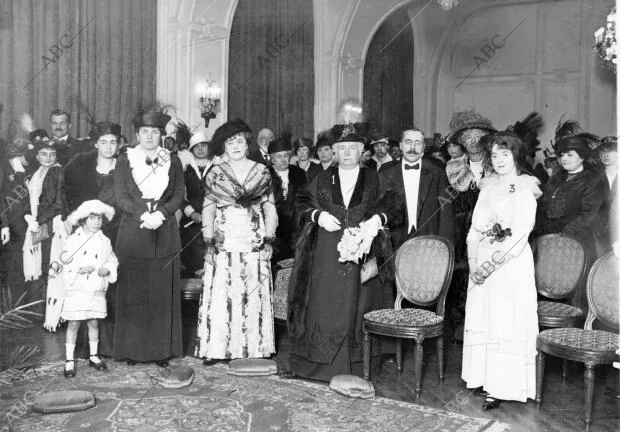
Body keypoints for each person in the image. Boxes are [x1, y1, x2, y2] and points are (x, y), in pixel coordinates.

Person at [284, 126, 395, 382]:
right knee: (325, 305)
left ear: (362, 152)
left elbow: (393, 202)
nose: (346, 154)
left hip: (362, 251)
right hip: (325, 252)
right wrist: (317, 215)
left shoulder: (374, 178)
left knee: (358, 305)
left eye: (352, 149)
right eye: (341, 149)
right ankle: (320, 366)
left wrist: (377, 219)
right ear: (334, 152)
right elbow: (300, 203)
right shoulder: (323, 178)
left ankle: (357, 367)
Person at [462, 132, 541, 410]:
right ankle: (484, 378)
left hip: (510, 266)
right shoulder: (487, 188)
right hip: (482, 264)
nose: (498, 160)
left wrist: (489, 265)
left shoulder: (525, 190)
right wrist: (474, 264)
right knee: (485, 317)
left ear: (516, 157)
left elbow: (519, 236)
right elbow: (474, 228)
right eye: (494, 155)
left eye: (504, 154)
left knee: (505, 321)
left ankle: (504, 385)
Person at [195, 118, 278, 364]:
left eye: (240, 141)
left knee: (251, 291)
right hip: (224, 238)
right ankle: (217, 349)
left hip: (253, 239)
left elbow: (270, 208)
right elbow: (208, 209)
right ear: (223, 146)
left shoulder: (262, 170)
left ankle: (253, 348)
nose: (236, 146)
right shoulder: (216, 173)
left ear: (247, 144)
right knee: (222, 291)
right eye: (230, 142)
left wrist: (269, 237)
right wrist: (208, 241)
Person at [113, 108, 184, 366]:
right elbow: (121, 196)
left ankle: (160, 351)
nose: (150, 136)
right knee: (134, 291)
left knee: (160, 292)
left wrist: (162, 214)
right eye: (145, 132)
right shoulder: (125, 160)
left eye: (155, 132)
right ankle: (133, 350)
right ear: (137, 134)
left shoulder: (172, 160)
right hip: (134, 230)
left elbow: (178, 195)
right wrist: (143, 214)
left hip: (164, 232)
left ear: (161, 135)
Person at [63, 121, 121, 358]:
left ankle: (109, 346)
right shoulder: (80, 165)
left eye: (113, 142)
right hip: (87, 232)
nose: (109, 147)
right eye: (104, 142)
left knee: (109, 284)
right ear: (96, 144)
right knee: (85, 287)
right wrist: (78, 221)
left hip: (116, 231)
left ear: (119, 144)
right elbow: (67, 194)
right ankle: (86, 347)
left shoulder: (124, 167)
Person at [61, 200, 118, 378]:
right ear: (83, 220)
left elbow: (112, 259)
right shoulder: (73, 239)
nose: (96, 222)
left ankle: (93, 356)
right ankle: (69, 360)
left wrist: (107, 269)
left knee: (93, 321)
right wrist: (78, 269)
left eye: (99, 218)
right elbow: (64, 260)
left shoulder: (105, 241)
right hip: (78, 286)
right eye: (92, 218)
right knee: (74, 322)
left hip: (95, 287)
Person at [379, 128, 455, 252]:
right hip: (394, 244)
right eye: (408, 142)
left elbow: (446, 214)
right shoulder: (386, 173)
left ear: (424, 147)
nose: (413, 147)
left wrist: (444, 249)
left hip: (429, 243)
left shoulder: (437, 172)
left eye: (418, 143)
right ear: (401, 145)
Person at [537, 135, 607, 264]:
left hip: (577, 240)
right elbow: (544, 205)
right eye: (561, 155)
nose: (564, 159)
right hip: (549, 238)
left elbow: (588, 215)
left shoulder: (593, 178)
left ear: (582, 156)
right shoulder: (556, 176)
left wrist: (563, 235)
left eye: (569, 155)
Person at [268, 134, 307, 262]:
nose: (283, 160)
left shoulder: (299, 173)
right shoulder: (264, 174)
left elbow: (306, 199)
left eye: (285, 156)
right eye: (279, 157)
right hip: (273, 233)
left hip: (296, 232)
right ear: (272, 159)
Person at [180, 130, 214, 277]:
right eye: (196, 146)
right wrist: (191, 213)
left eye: (203, 145)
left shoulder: (218, 169)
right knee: (191, 260)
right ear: (192, 150)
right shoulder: (185, 171)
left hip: (214, 220)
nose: (200, 149)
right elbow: (179, 197)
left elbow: (225, 194)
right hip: (191, 223)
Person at [594, 136, 617, 256]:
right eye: (602, 151)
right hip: (599, 232)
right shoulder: (592, 178)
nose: (606, 155)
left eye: (611, 150)